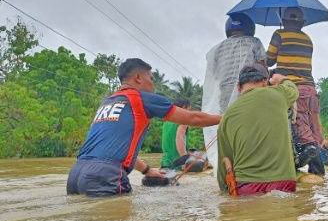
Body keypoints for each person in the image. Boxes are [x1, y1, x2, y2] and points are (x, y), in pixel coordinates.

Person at [67, 58, 221, 197]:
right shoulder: (141, 98)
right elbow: (193, 118)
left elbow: (116, 152)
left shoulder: (107, 102)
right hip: (106, 176)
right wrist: (226, 117)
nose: (153, 83)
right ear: (138, 78)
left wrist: (147, 170)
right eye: (151, 78)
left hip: (75, 175)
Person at [217, 64, 299, 196]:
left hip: (246, 186)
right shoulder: (279, 95)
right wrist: (281, 79)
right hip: (283, 182)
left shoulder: (227, 115)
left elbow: (225, 162)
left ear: (238, 87)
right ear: (265, 82)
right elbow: (293, 89)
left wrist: (225, 191)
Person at [202, 13, 266, 170]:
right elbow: (263, 68)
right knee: (251, 129)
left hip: (224, 97)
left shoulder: (216, 49)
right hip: (249, 92)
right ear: (250, 27)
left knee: (231, 129)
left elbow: (215, 74)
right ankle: (251, 164)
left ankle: (231, 166)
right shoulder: (255, 43)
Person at [266, 7, 325, 175]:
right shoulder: (307, 39)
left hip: (293, 88)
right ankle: (319, 173)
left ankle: (317, 170)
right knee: (315, 129)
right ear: (302, 23)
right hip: (311, 89)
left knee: (301, 130)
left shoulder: (279, 34)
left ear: (284, 21)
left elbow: (269, 60)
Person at [159, 98, 205, 171]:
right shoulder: (183, 120)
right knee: (203, 157)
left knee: (195, 153)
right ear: (183, 108)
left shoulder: (167, 121)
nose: (189, 112)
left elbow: (169, 142)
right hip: (178, 163)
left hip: (166, 162)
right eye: (189, 110)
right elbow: (179, 138)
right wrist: (184, 159)